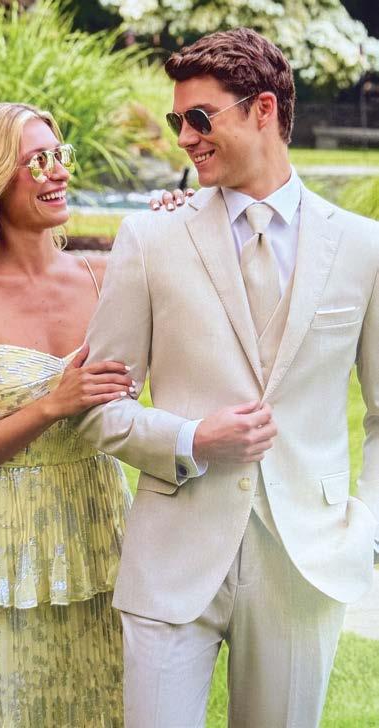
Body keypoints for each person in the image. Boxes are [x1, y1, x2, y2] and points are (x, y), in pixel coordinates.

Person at [77, 28, 379, 728]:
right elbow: (97, 408)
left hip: (305, 563)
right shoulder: (150, 240)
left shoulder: (363, 248)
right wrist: (190, 438)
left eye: (199, 117)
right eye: (176, 120)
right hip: (170, 560)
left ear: (263, 109)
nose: (185, 137)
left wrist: (365, 526)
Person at [0, 102, 138, 727]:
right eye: (37, 161)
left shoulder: (106, 276)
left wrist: (182, 220)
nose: (59, 172)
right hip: (2, 549)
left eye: (59, 155)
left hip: (103, 533)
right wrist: (52, 405)